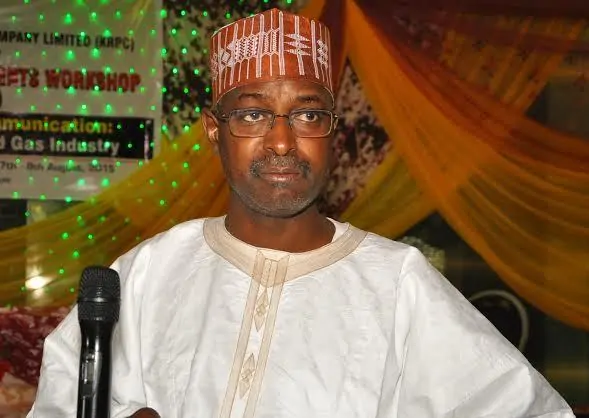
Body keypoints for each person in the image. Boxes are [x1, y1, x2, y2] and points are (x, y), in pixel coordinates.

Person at [28, 8, 574, 418]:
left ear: (333, 130)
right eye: (252, 114)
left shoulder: (397, 284)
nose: (283, 142)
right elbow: (59, 399)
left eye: (308, 114)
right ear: (214, 130)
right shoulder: (149, 272)